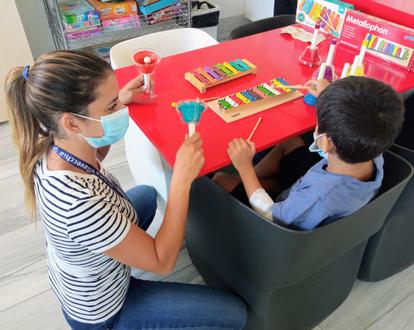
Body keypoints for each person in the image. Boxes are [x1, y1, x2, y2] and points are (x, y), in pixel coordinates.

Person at [5, 50, 246, 330]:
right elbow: (163, 262)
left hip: (84, 262)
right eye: (111, 107)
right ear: (72, 123)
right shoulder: (78, 204)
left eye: (118, 99)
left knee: (144, 195)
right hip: (104, 308)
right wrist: (181, 178)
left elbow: (98, 154)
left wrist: (121, 102)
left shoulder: (57, 143)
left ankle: (127, 248)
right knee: (235, 314)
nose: (121, 109)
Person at [214, 77, 405, 230]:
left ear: (325, 142)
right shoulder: (371, 146)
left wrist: (245, 167)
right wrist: (328, 97)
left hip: (281, 213)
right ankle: (254, 180)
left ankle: (247, 177)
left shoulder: (318, 199)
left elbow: (272, 216)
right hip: (306, 186)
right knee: (291, 142)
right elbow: (356, 123)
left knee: (220, 179)